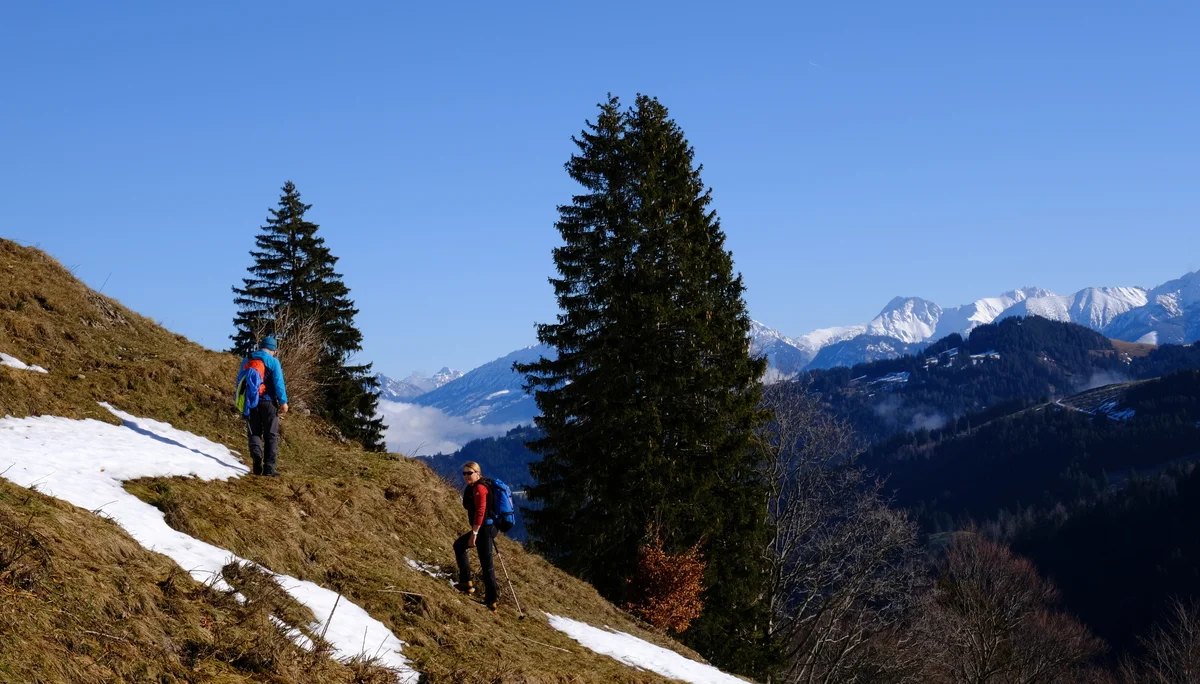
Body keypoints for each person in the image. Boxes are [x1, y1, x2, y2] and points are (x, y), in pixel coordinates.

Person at [238, 335, 289, 476]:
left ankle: (256, 460)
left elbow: (240, 382)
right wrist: (283, 401)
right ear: (272, 349)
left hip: (251, 402)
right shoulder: (273, 362)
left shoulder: (247, 359)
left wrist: (241, 401)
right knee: (271, 435)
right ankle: (269, 468)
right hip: (269, 403)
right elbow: (279, 383)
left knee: (254, 432)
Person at [453, 461, 499, 611]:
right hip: (485, 529)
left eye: (469, 473)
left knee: (487, 565)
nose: (466, 476)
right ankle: (466, 582)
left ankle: (491, 600)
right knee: (459, 545)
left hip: (483, 529)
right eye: (464, 473)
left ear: (478, 473)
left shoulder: (479, 488)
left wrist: (474, 533)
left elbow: (481, 511)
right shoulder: (475, 487)